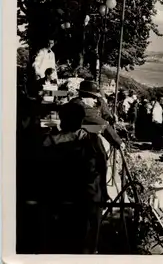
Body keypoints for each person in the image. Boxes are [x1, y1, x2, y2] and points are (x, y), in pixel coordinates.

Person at [37, 102, 107, 254]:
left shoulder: (48, 141)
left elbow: (42, 171)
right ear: (81, 120)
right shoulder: (94, 140)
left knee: (60, 242)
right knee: (86, 243)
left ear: (62, 120)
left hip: (59, 198)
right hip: (88, 198)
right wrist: (104, 191)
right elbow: (103, 167)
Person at [70, 80, 122, 150]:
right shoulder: (80, 107)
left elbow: (105, 114)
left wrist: (111, 119)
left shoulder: (96, 102)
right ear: (84, 97)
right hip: (78, 134)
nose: (96, 100)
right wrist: (119, 142)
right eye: (94, 97)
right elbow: (102, 125)